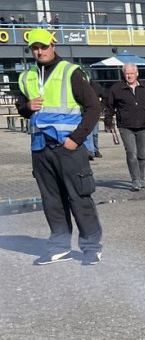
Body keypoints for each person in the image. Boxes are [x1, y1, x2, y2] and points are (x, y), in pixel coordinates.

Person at [15, 28, 103, 266]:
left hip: (68, 147)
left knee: (79, 198)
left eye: (43, 46)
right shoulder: (27, 76)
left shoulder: (71, 72)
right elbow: (21, 106)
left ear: (53, 45)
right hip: (40, 147)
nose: (39, 51)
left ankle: (92, 247)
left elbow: (94, 108)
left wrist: (76, 139)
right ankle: (59, 246)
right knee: (51, 200)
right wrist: (27, 106)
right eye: (35, 47)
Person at [104, 64, 145, 191]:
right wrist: (108, 121)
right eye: (127, 73)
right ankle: (135, 180)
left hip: (143, 125)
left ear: (137, 74)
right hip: (126, 126)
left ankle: (141, 179)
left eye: (131, 73)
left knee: (142, 155)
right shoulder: (116, 89)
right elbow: (109, 107)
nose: (129, 75)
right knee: (131, 153)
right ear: (123, 74)